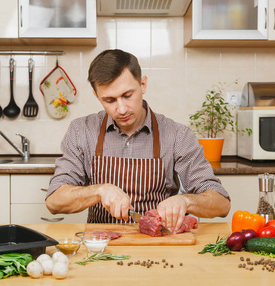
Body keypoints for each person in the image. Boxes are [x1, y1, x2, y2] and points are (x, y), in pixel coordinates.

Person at [45, 49, 230, 232]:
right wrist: (98, 191)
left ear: (143, 84)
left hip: (157, 245)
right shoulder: (82, 131)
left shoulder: (176, 135)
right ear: (96, 96)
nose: (122, 109)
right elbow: (54, 201)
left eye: (127, 95)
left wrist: (186, 200)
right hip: (101, 247)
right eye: (109, 100)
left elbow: (221, 203)